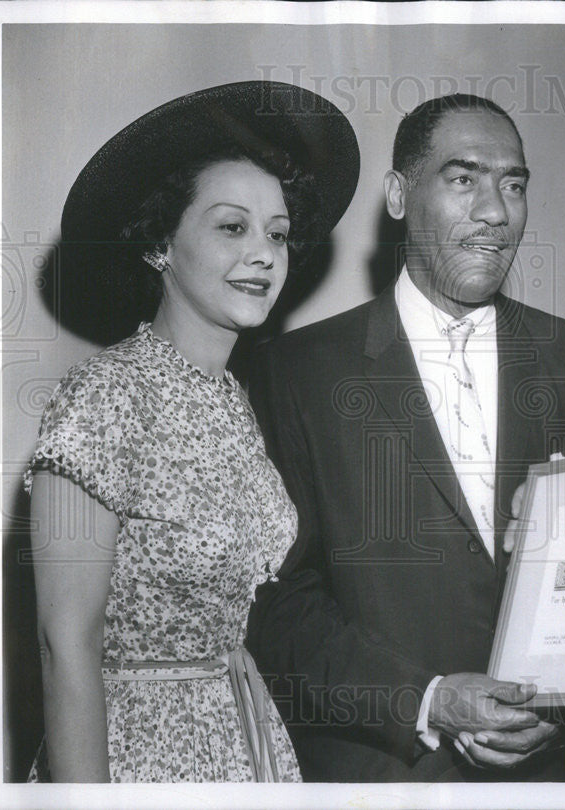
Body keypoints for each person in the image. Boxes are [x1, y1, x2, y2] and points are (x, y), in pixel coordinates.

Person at [245, 94, 565, 781]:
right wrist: (427, 700)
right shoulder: (295, 372)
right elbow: (278, 606)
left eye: (513, 185)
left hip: (552, 775)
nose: (496, 211)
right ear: (398, 195)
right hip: (383, 774)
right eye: (464, 180)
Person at [25, 81, 359, 782]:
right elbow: (65, 644)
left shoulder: (235, 403)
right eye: (232, 227)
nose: (265, 254)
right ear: (159, 245)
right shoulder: (105, 395)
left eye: (277, 232)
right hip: (136, 754)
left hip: (243, 744)